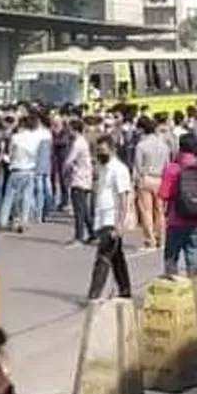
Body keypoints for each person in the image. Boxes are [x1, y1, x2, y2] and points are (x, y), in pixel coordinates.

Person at [159, 133, 197, 275]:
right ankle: (195, 290)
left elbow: (164, 195)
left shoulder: (172, 169)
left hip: (175, 221)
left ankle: (173, 291)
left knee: (171, 259)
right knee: (194, 259)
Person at [87, 137, 133, 301]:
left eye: (103, 150)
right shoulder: (103, 168)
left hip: (112, 219)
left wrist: (120, 223)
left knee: (103, 256)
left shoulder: (119, 169)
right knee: (117, 257)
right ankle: (125, 290)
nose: (100, 154)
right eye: (98, 151)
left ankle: (94, 294)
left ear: (112, 150)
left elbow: (124, 197)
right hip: (102, 217)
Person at [132, 117, 171, 251]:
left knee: (146, 211)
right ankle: (160, 238)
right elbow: (167, 164)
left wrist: (135, 181)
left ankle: (150, 241)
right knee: (159, 211)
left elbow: (138, 165)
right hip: (160, 178)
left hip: (146, 178)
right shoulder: (164, 145)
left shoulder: (141, 145)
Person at [0, 113, 41, 233]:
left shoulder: (16, 137)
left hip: (16, 169)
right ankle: (24, 220)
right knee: (26, 197)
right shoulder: (35, 138)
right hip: (30, 170)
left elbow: (10, 153)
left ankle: (4, 220)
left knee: (10, 197)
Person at [63, 118, 95, 248]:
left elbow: (69, 160)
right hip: (85, 178)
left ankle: (79, 238)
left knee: (79, 210)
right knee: (84, 209)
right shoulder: (83, 141)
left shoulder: (78, 143)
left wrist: (64, 170)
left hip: (79, 179)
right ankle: (92, 233)